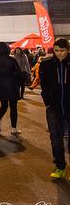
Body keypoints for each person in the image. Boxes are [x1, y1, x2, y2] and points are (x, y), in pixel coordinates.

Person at [39, 38, 70, 179]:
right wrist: (48, 103)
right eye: (56, 50)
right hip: (53, 109)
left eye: (62, 50)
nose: (59, 54)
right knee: (56, 139)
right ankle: (60, 166)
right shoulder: (46, 65)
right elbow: (44, 87)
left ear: (68, 50)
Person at [0, 42, 24, 135]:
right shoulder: (11, 60)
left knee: (4, 105)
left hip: (0, 86)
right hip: (12, 85)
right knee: (13, 107)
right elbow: (19, 73)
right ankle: (13, 128)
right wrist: (19, 83)